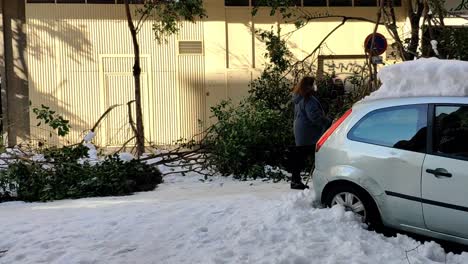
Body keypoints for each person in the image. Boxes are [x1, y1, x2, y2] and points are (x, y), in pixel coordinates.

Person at [290, 76, 331, 190]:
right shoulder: (309, 100)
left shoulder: (299, 97)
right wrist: (327, 121)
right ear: (310, 86)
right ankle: (323, 180)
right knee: (319, 155)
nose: (315, 86)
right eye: (314, 84)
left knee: (300, 156)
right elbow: (314, 117)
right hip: (310, 132)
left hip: (301, 130)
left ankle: (295, 181)